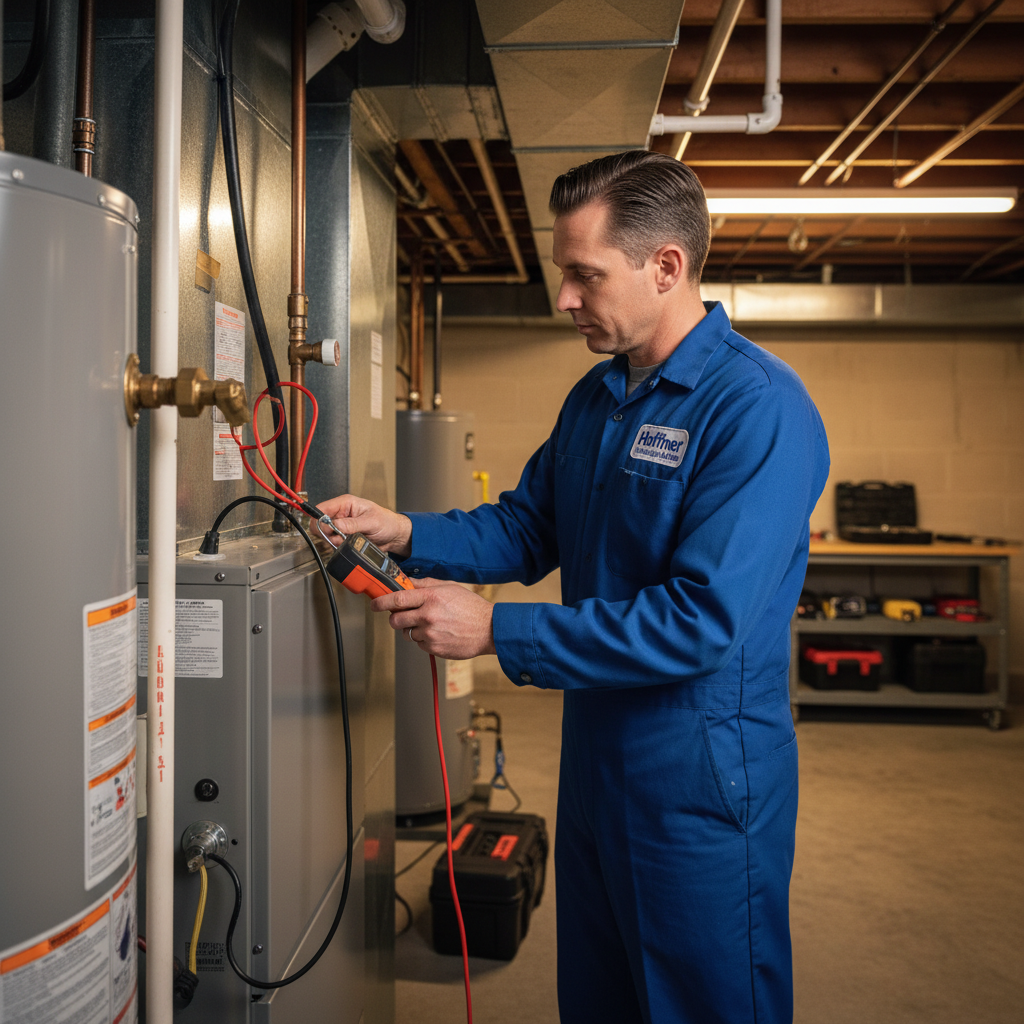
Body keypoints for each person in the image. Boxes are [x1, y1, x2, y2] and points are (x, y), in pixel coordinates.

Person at [317, 151, 830, 1024]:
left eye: (583, 275)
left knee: (702, 1002)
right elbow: (525, 527)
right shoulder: (600, 398)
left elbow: (701, 620)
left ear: (665, 266)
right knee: (599, 998)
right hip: (597, 761)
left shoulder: (757, 408)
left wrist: (496, 634)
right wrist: (405, 531)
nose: (563, 299)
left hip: (699, 780)